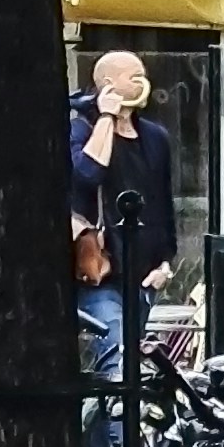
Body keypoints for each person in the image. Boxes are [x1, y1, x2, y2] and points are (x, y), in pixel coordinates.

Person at [73, 44, 184, 378]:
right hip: (102, 275)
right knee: (118, 364)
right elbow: (88, 173)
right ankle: (120, 432)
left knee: (132, 366)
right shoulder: (81, 127)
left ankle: (105, 430)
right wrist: (107, 116)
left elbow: (163, 203)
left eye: (143, 74)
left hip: (144, 277)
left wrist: (166, 263)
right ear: (107, 82)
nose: (141, 79)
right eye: (131, 75)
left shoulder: (155, 137)